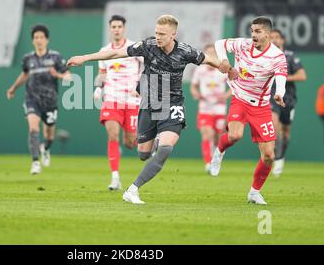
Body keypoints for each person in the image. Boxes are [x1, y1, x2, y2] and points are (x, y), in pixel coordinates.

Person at [67, 14, 225, 204]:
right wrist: (85, 58)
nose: (158, 37)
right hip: (149, 104)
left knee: (165, 149)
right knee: (142, 153)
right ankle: (155, 140)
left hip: (173, 104)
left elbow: (209, 59)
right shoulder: (148, 46)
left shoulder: (185, 51)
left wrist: (228, 69)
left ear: (173, 34)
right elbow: (116, 53)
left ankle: (132, 190)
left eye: (162, 34)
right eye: (156, 32)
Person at [210, 16, 288, 205]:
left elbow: (281, 78)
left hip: (261, 107)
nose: (253, 35)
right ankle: (219, 151)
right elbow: (219, 43)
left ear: (268, 34)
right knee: (235, 135)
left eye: (258, 31)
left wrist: (279, 93)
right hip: (239, 98)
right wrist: (224, 60)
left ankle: (254, 192)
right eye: (252, 30)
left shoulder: (277, 56)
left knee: (269, 155)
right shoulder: (243, 45)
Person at [7, 25, 71, 174]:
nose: (39, 40)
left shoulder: (56, 57)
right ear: (32, 41)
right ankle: (35, 162)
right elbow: (25, 75)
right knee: (33, 128)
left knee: (49, 135)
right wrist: (13, 88)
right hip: (32, 99)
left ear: (47, 40)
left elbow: (69, 76)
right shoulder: (27, 59)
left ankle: (46, 149)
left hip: (50, 101)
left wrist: (58, 75)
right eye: (36, 38)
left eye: (41, 37)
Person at [94, 15, 143, 190]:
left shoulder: (134, 48)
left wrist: (140, 85)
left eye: (119, 26)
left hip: (131, 101)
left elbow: (147, 68)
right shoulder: (104, 50)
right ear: (110, 29)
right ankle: (115, 177)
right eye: (113, 26)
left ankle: (146, 140)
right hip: (112, 99)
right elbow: (101, 72)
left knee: (130, 143)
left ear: (124, 28)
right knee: (112, 134)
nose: (116, 29)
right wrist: (98, 88)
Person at [270, 29, 307, 176]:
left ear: (282, 40)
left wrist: (283, 77)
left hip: (288, 98)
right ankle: (276, 159)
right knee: (274, 128)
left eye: (277, 37)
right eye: (271, 37)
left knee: (285, 132)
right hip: (271, 97)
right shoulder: (264, 56)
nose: (274, 40)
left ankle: (281, 156)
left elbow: (302, 75)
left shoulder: (290, 56)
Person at [190, 44, 230, 173]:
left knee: (218, 137)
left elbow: (234, 85)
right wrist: (195, 93)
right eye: (208, 53)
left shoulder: (223, 70)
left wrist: (226, 95)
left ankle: (216, 160)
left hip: (219, 109)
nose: (211, 55)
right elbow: (193, 86)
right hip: (205, 108)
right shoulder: (199, 70)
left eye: (213, 53)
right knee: (207, 134)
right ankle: (208, 163)